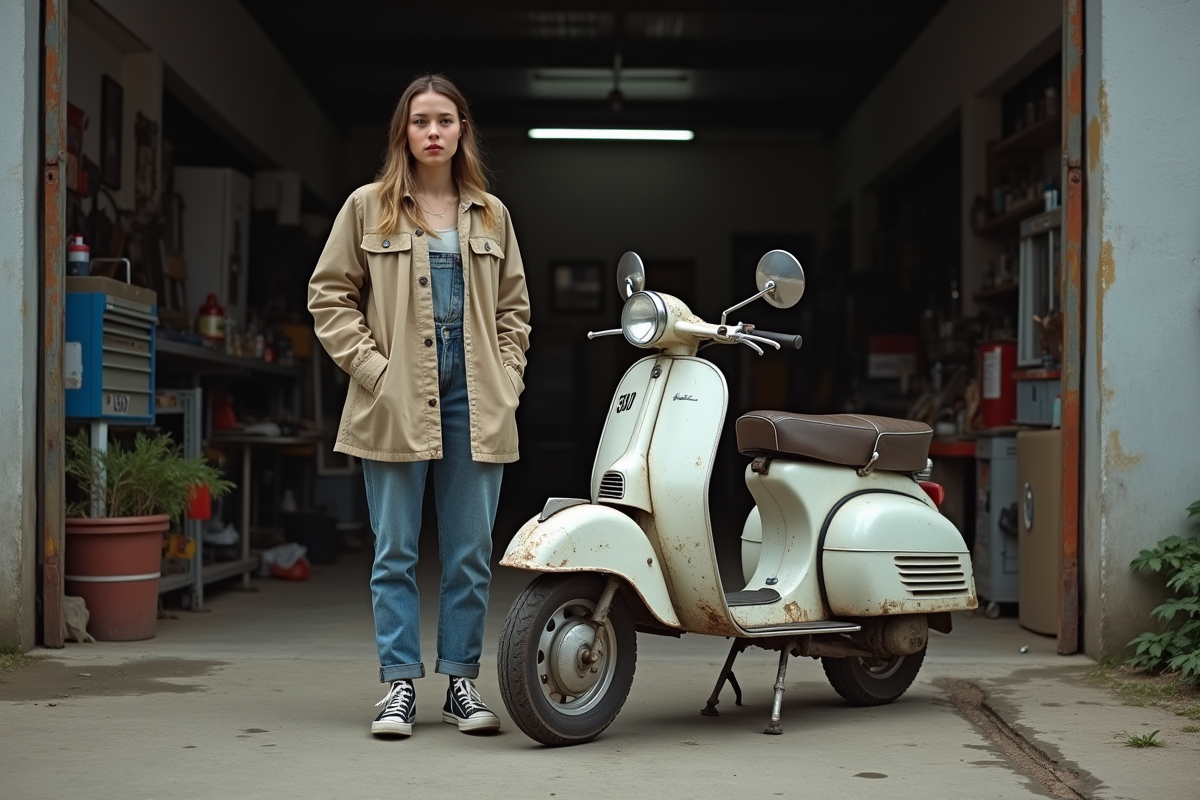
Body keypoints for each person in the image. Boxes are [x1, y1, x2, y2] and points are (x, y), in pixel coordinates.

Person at [308, 74, 531, 738]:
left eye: (445, 120)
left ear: (463, 131)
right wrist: (374, 371)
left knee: (469, 552)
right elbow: (329, 296)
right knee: (394, 551)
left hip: (476, 398)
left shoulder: (492, 215)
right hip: (395, 396)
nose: (433, 131)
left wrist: (507, 381)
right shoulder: (367, 207)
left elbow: (515, 312)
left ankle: (461, 684)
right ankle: (399, 686)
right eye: (420, 121)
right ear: (402, 132)